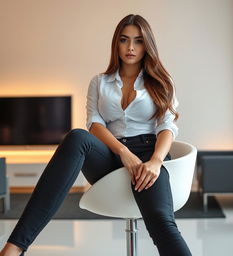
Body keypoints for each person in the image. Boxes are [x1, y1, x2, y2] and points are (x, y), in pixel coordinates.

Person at [0, 14, 192, 256]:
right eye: (124, 40)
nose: (130, 47)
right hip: (109, 156)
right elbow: (95, 125)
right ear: (116, 44)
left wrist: (155, 161)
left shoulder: (162, 82)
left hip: (148, 155)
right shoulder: (99, 82)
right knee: (77, 137)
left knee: (162, 223)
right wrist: (123, 152)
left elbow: (167, 126)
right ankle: (14, 248)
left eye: (138, 41)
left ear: (147, 45)